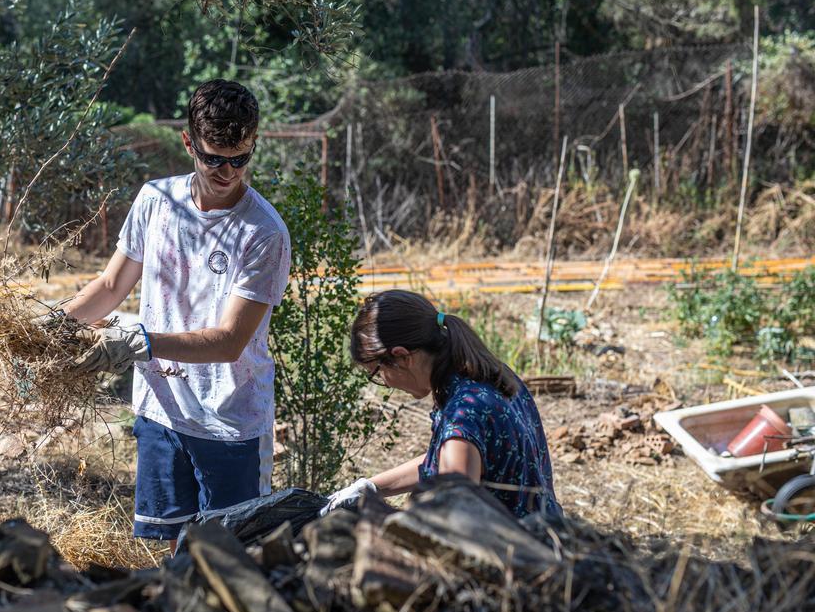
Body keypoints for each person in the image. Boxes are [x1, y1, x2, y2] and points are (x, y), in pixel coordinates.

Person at [61, 79, 291, 548]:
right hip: (161, 413)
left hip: (229, 424)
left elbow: (230, 342)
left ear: (253, 146)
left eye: (240, 159)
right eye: (213, 158)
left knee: (231, 557)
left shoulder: (263, 232)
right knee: (167, 555)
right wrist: (53, 327)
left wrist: (141, 343)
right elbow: (110, 286)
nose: (227, 171)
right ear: (189, 142)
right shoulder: (156, 201)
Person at [324, 290, 561, 519]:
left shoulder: (463, 414)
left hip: (513, 554)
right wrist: (371, 487)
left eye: (377, 372)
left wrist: (378, 519)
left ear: (403, 357)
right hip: (546, 540)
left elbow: (453, 520)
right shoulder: (486, 374)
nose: (382, 381)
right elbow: (447, 459)